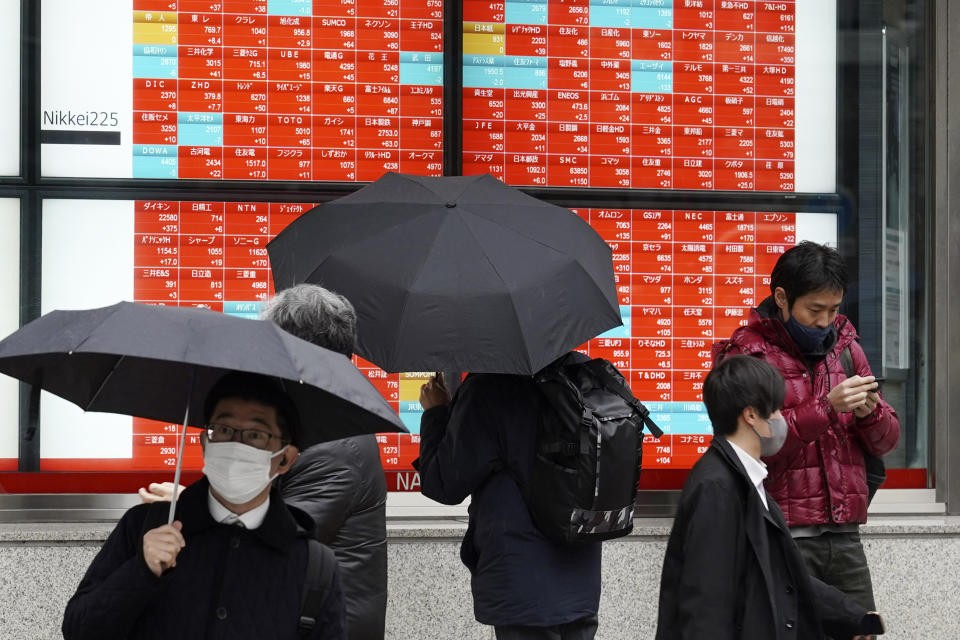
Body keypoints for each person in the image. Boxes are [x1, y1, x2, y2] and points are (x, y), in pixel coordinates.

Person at [140, 284, 388, 640]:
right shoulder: (303, 422)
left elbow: (272, 539)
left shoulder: (335, 448)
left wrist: (189, 507)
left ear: (294, 351)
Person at [63, 372, 346, 640]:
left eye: (255, 435)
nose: (236, 445)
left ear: (284, 459)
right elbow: (78, 630)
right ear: (204, 442)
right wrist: (141, 571)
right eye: (223, 430)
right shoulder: (144, 527)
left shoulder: (314, 566)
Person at [713, 241, 900, 610]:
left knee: (861, 630)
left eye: (833, 309)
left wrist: (871, 414)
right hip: (780, 535)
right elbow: (749, 448)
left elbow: (885, 443)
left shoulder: (845, 347)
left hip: (845, 536)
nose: (824, 322)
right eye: (814, 310)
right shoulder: (747, 355)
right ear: (781, 297)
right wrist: (826, 408)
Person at [656, 355, 884, 640]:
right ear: (751, 416)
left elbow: (785, 573)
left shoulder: (749, 479)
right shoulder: (718, 487)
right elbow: (706, 598)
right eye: (776, 410)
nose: (781, 420)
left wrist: (852, 617)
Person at [418, 360, 601, 640]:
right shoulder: (584, 375)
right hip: (580, 579)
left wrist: (436, 413)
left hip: (522, 584)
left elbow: (443, 483)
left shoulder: (490, 387)